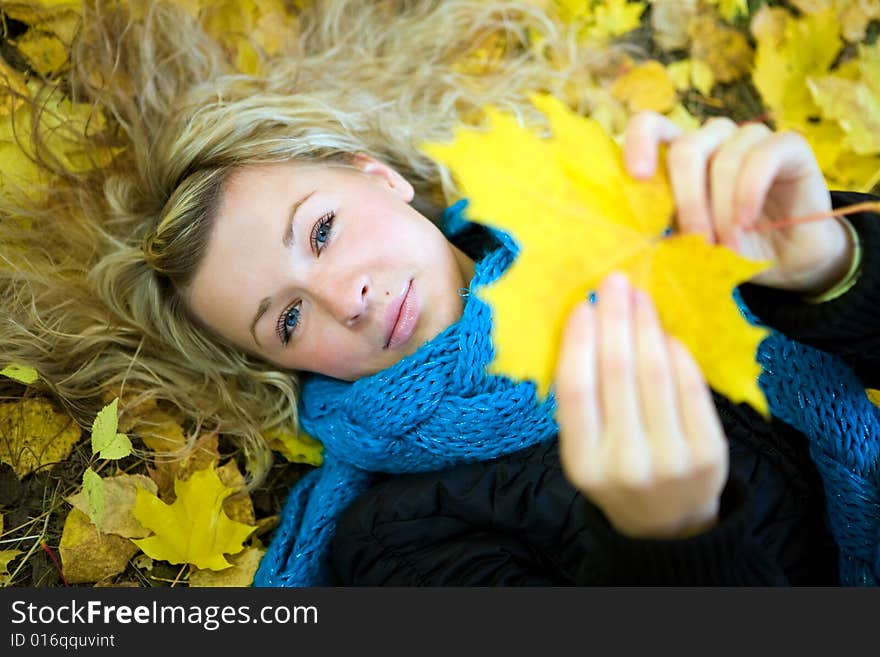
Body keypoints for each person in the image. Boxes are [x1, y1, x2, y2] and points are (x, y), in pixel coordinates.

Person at [1, 0, 877, 587]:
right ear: (283, 365)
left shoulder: (635, 215)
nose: (346, 297)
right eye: (290, 316)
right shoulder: (396, 541)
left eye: (321, 230)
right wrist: (675, 539)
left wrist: (829, 268)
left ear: (379, 178)